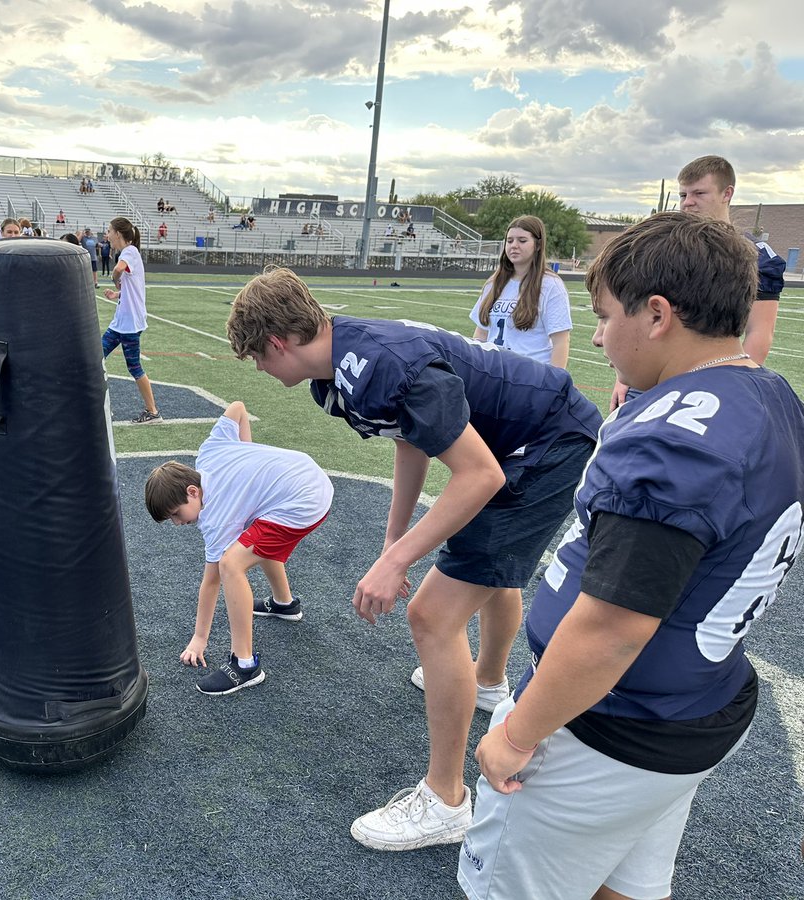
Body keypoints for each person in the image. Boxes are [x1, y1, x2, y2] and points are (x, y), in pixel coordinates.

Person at [459, 211, 804, 899]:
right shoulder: (768, 393)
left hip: (615, 725)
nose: (595, 334)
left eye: (605, 314)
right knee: (627, 886)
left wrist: (518, 732)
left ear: (657, 315)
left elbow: (615, 626)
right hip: (694, 702)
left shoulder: (675, 443)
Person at [226, 267, 602, 852]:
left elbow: (480, 474)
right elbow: (413, 434)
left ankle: (446, 799)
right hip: (525, 437)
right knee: (486, 569)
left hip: (545, 443)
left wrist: (397, 561)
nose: (260, 370)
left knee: (433, 614)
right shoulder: (346, 357)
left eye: (258, 357)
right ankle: (486, 682)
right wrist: (393, 539)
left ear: (278, 343)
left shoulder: (375, 362)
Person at [145, 401, 333, 695]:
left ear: (192, 492)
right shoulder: (208, 452)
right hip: (307, 473)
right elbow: (237, 408)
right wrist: (247, 455)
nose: (177, 524)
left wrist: (199, 638)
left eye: (176, 515)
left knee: (231, 564)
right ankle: (285, 604)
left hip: (305, 500)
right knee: (253, 535)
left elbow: (212, 581)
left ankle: (244, 664)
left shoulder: (218, 517)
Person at [611, 155, 787, 409]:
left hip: (708, 378)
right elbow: (641, 313)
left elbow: (760, 331)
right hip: (651, 376)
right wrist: (625, 374)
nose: (688, 202)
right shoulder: (665, 244)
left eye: (699, 193)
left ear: (727, 194)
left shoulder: (755, 254)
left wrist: (732, 389)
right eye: (683, 195)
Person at [470, 216, 573, 368]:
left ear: (538, 245)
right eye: (510, 241)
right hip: (493, 374)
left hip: (530, 377)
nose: (514, 246)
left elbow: (561, 341)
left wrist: (555, 382)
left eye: (522, 240)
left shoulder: (551, 285)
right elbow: (481, 334)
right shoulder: (493, 283)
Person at [102, 216, 161, 424]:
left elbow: (118, 271)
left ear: (118, 233)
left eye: (109, 231)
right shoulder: (130, 253)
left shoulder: (129, 251)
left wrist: (115, 280)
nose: (107, 235)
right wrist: (117, 294)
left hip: (128, 325)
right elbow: (133, 288)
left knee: (134, 367)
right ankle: (98, 405)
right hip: (122, 322)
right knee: (96, 358)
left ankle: (153, 412)